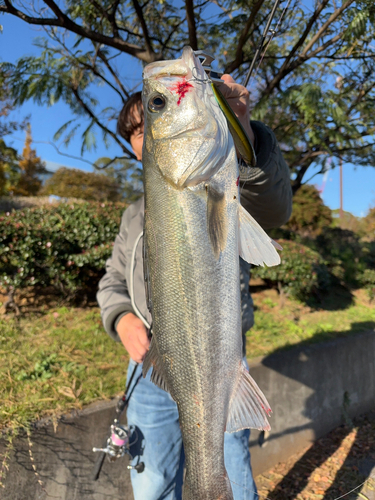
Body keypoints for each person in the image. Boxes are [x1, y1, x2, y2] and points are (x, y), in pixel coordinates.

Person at [97, 74, 292, 500]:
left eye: (154, 117)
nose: (146, 135)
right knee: (152, 484)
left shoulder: (227, 177)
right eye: (138, 129)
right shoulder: (133, 214)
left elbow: (274, 211)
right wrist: (122, 317)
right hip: (148, 368)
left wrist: (247, 135)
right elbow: (112, 280)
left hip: (218, 362)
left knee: (234, 477)